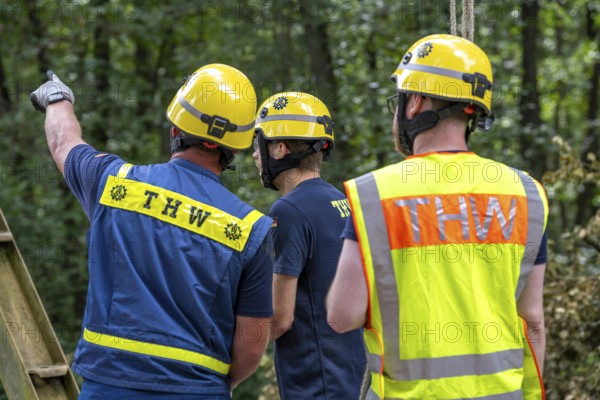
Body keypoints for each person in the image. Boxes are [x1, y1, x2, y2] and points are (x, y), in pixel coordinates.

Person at [31, 64, 274, 399]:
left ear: (175, 128)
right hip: (198, 391)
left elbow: (64, 143)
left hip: (110, 387)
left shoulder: (113, 183)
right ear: (234, 149)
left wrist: (57, 98)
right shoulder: (251, 229)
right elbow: (251, 345)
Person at [326, 34, 548, 399]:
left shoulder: (375, 195)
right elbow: (533, 321)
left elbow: (341, 314)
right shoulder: (525, 194)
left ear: (414, 103)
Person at [252, 92, 366, 399]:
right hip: (353, 376)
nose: (253, 155)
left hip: (317, 383)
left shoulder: (287, 211)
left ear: (279, 148)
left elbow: (280, 318)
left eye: (258, 144)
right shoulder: (342, 200)